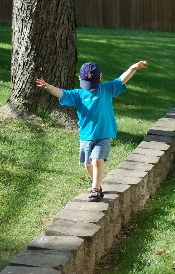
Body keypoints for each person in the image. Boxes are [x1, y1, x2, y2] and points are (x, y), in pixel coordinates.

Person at [36, 61, 148, 202]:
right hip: (86, 135)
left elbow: (121, 80)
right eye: (87, 85)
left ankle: (95, 190)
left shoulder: (106, 89)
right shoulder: (78, 94)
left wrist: (133, 68)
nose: (89, 89)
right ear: (80, 79)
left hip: (104, 133)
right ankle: (97, 185)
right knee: (87, 164)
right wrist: (48, 87)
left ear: (100, 78)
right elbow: (62, 93)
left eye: (92, 85)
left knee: (96, 160)